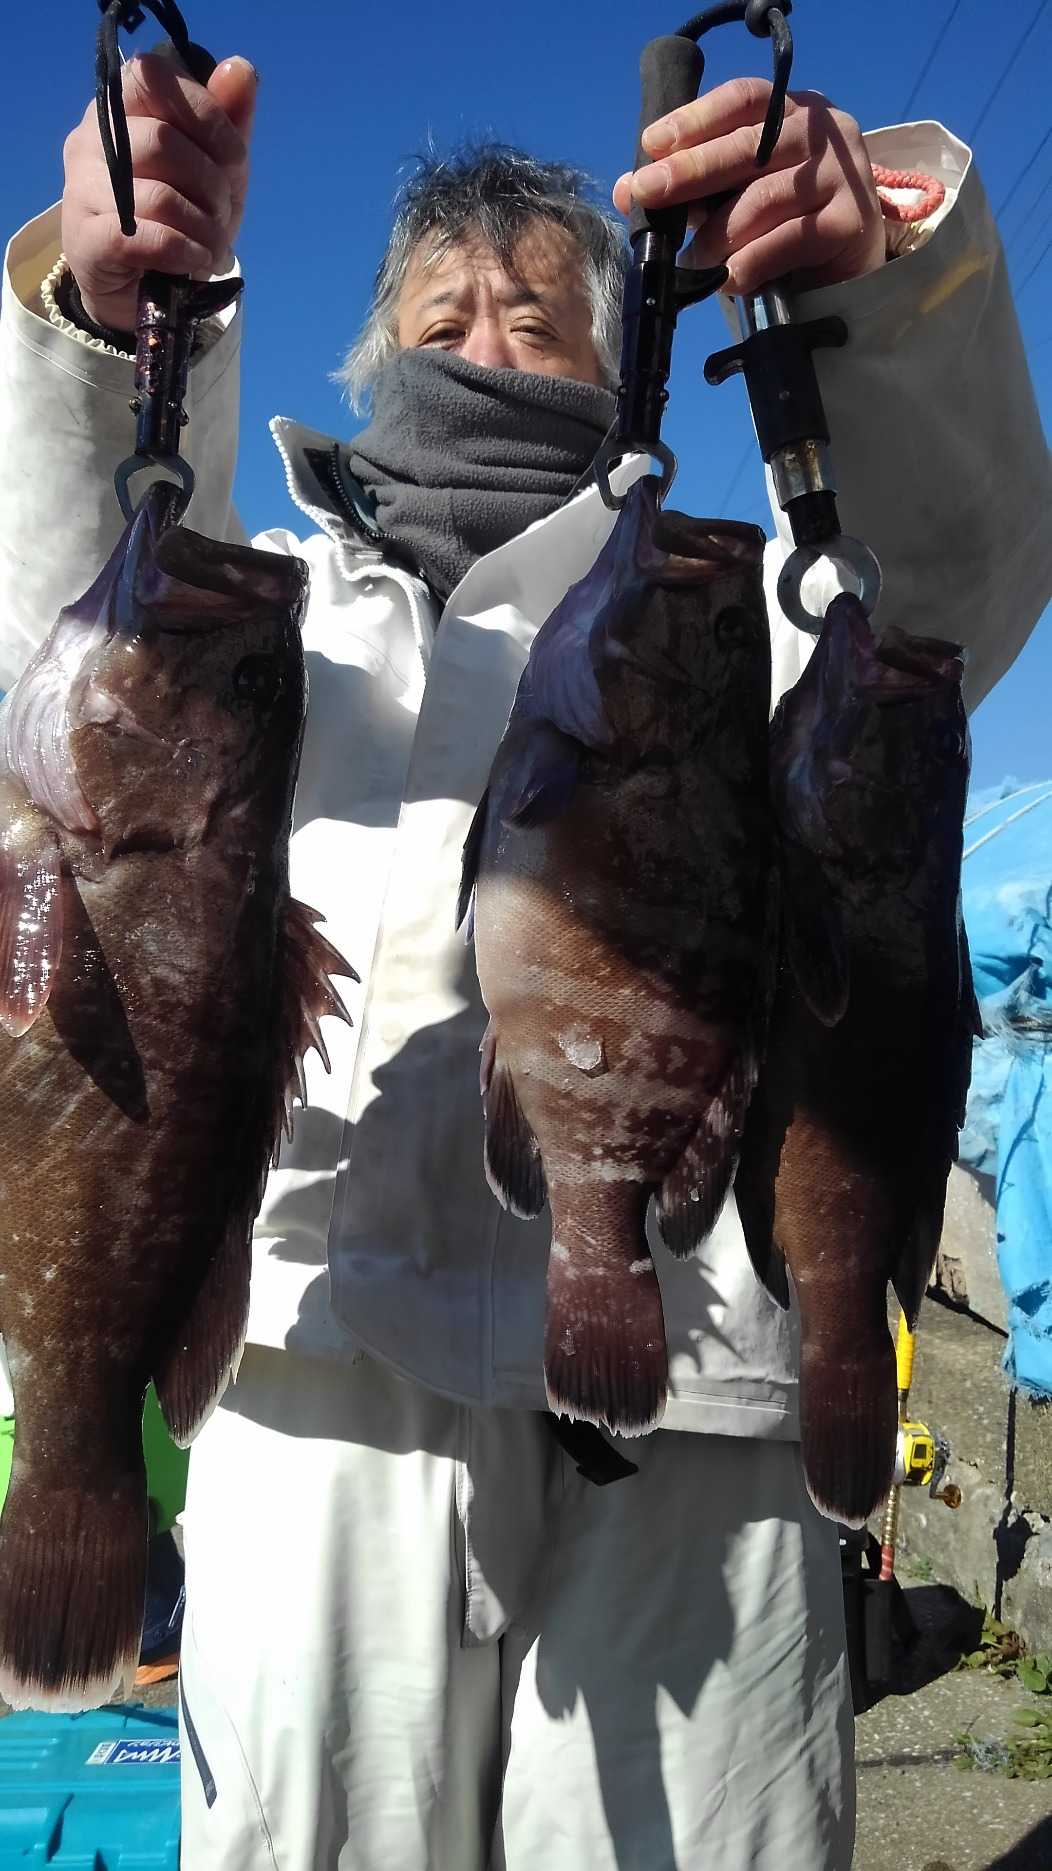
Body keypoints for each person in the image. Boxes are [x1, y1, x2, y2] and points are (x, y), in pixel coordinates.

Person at [2, 40, 1050, 1871]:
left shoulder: (730, 609)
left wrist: (874, 293)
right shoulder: (261, 612)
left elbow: (952, 593)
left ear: (624, 352)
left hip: (705, 1396)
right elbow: (55, 644)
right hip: (324, 1384)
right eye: (443, 315)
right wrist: (111, 326)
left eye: (540, 317)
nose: (485, 344)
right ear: (374, 361)